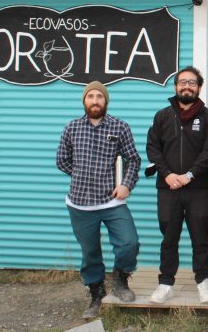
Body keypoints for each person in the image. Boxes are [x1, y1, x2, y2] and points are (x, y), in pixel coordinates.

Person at [56, 81, 141, 319]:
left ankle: (121, 280)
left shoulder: (120, 127)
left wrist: (125, 184)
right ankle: (96, 294)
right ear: (84, 101)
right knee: (90, 252)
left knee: (129, 243)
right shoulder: (71, 128)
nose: (95, 100)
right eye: (90, 96)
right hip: (80, 203)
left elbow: (133, 160)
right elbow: (62, 160)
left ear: (106, 101)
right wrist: (83, 173)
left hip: (112, 202)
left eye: (99, 97)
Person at [146, 66, 208, 304]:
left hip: (198, 188)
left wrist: (188, 176)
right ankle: (165, 283)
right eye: (182, 82)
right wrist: (167, 175)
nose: (187, 86)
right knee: (169, 237)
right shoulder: (162, 116)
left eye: (192, 82)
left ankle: (203, 281)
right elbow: (153, 148)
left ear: (199, 87)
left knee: (200, 236)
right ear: (176, 86)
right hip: (168, 188)